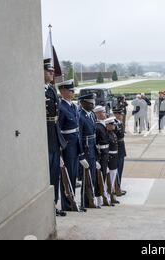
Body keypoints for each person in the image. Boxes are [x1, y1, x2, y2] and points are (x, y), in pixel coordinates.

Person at [44, 58, 67, 217]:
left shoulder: (51, 89)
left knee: (55, 173)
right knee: (49, 173)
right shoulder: (40, 89)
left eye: (52, 71)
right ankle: (49, 205)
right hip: (46, 133)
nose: (52, 73)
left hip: (54, 132)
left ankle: (54, 203)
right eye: (49, 71)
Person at [57, 79, 82, 212]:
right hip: (67, 145)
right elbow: (58, 129)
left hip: (75, 142)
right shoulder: (61, 107)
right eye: (71, 90)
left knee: (73, 174)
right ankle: (67, 204)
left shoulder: (73, 106)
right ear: (63, 91)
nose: (73, 93)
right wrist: (61, 147)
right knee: (67, 175)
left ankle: (73, 201)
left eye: (73, 90)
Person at [79, 93, 101, 209]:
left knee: (92, 175)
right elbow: (79, 137)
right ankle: (85, 202)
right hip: (86, 149)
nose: (93, 105)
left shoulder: (92, 115)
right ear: (83, 103)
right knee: (85, 176)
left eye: (93, 102)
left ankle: (90, 200)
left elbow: (94, 135)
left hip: (92, 149)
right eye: (90, 102)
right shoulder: (80, 116)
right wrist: (81, 155)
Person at [94, 105, 113, 207]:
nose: (105, 114)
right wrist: (96, 158)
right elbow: (95, 144)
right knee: (100, 177)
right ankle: (98, 196)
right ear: (98, 114)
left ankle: (103, 194)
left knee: (104, 176)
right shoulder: (97, 126)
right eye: (103, 112)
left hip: (105, 153)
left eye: (104, 112)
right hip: (101, 154)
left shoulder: (103, 125)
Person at [105, 117, 121, 204]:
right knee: (108, 179)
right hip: (110, 158)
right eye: (112, 124)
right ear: (107, 125)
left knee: (113, 177)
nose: (114, 126)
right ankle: (107, 196)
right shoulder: (107, 134)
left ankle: (111, 195)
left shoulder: (113, 134)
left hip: (114, 158)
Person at [113, 107, 128, 197]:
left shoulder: (120, 123)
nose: (122, 116)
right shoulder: (114, 124)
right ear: (116, 115)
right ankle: (116, 188)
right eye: (120, 114)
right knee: (117, 169)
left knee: (120, 169)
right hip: (117, 149)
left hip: (121, 149)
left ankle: (118, 187)